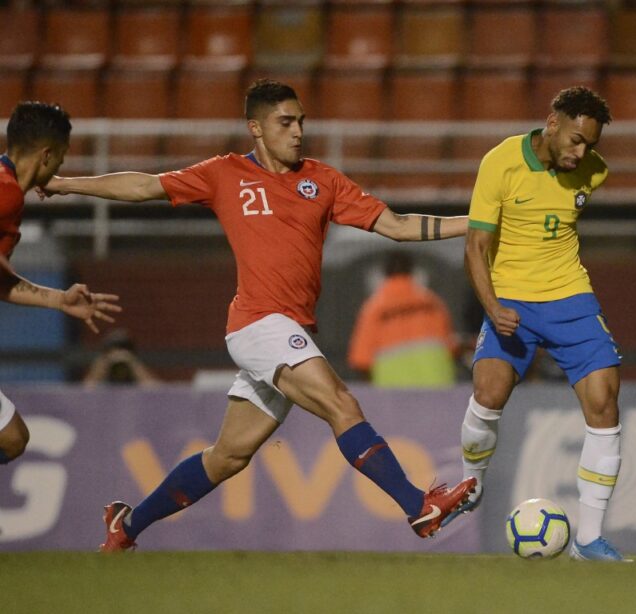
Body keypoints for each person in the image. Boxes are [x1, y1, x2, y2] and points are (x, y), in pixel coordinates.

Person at [44, 79, 476, 551]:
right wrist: (66, 184)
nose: (297, 132)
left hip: (290, 329)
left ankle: (126, 526)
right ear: (255, 127)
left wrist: (476, 223)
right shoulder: (224, 174)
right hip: (258, 323)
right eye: (285, 122)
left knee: (228, 456)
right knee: (341, 404)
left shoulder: (323, 181)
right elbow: (145, 185)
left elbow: (395, 225)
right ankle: (418, 506)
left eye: (301, 122)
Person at [445, 86, 628, 562]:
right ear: (552, 122)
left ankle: (588, 539)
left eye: (589, 144)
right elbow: (475, 248)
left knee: (605, 402)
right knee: (488, 393)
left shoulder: (594, 171)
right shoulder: (499, 163)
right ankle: (472, 483)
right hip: (510, 300)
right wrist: (492, 307)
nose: (580, 152)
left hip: (570, 296)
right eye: (574, 139)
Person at [1, 101, 122, 465]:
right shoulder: (4, 191)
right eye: (62, 157)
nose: (61, 167)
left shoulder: (10, 195)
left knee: (13, 439)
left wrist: (58, 301)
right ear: (46, 155)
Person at [347, 250, 458, 388]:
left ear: (384, 273)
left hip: (394, 394)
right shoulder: (432, 302)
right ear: (413, 270)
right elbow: (450, 347)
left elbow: (361, 361)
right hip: (438, 386)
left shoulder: (374, 308)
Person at [82, 328, 160, 388]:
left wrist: (132, 363)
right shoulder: (102, 372)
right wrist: (101, 368)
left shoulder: (136, 372)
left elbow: (156, 393)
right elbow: (84, 394)